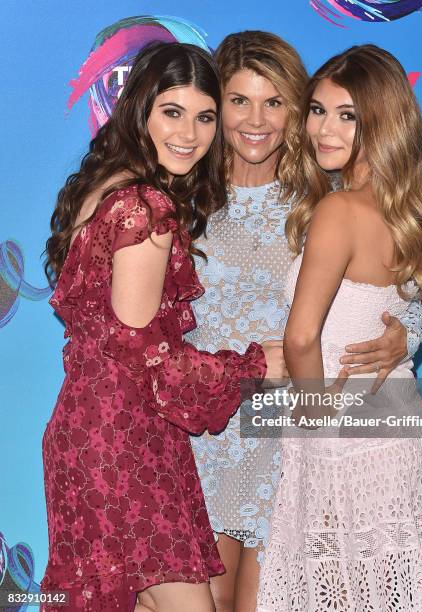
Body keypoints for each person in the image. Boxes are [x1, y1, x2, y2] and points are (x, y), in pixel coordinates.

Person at [41, 42, 286, 612]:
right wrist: (253, 366)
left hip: (96, 428)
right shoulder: (144, 208)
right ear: (141, 110)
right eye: (172, 112)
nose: (190, 134)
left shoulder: (105, 186)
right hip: (119, 442)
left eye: (204, 117)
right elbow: (144, 354)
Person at [188, 32, 422, 612]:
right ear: (217, 108)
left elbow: (415, 285)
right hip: (204, 442)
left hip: (289, 444)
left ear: (295, 110)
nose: (256, 120)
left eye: (274, 102)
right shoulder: (185, 201)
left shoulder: (318, 198)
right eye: (239, 100)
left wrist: (405, 332)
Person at [257, 44, 422, 611]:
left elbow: (302, 338)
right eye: (318, 110)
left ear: (381, 120)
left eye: (347, 115)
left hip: (339, 436)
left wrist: (311, 421)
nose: (324, 129)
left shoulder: (339, 211)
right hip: (398, 430)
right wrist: (403, 339)